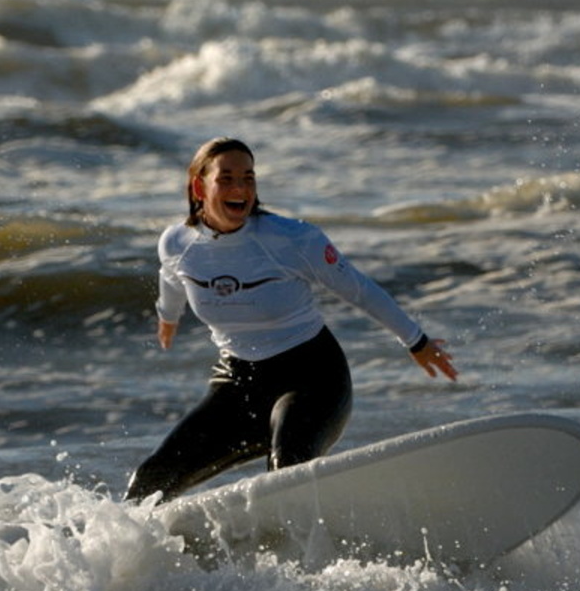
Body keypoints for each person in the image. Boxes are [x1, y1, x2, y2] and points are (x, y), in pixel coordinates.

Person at [125, 137, 457, 502]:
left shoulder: (292, 239)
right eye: (228, 178)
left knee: (286, 473)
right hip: (237, 383)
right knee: (149, 482)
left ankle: (310, 549)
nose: (241, 189)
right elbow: (171, 280)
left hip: (312, 379)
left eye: (249, 178)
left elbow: (358, 289)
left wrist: (416, 341)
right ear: (198, 187)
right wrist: (167, 318)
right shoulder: (177, 242)